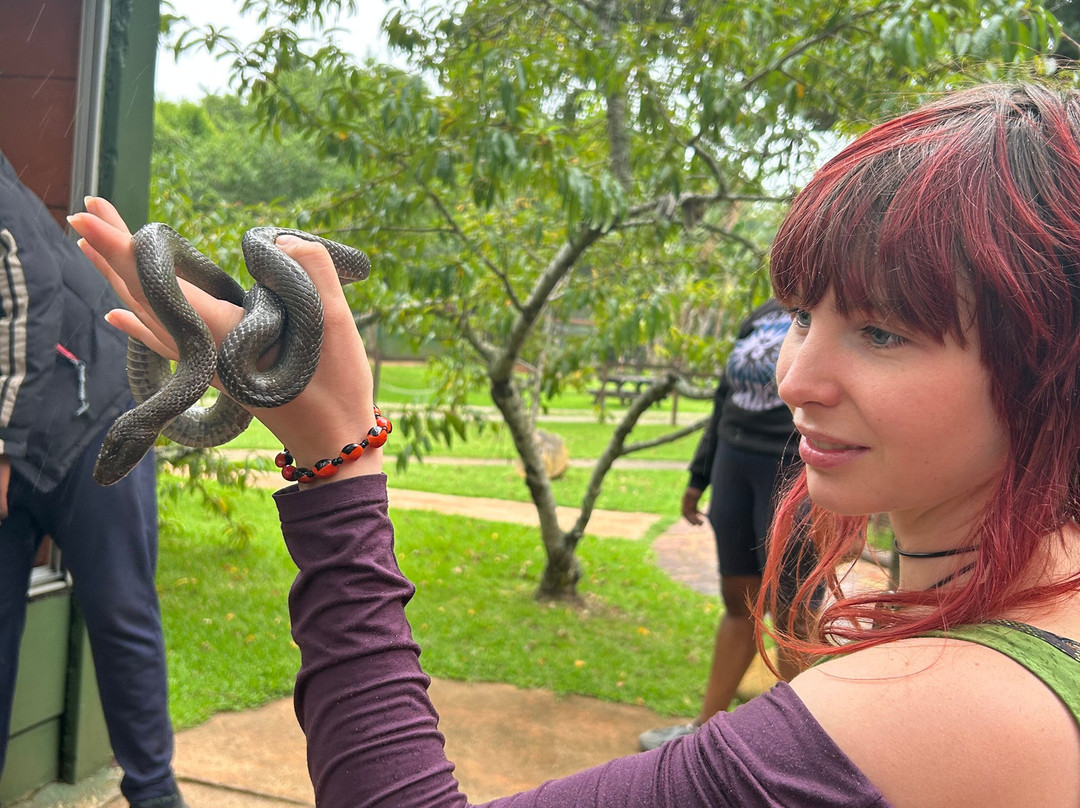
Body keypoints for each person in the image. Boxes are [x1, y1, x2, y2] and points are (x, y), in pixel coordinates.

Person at [72, 81, 1080, 808]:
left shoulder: (943, 714)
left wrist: (338, 456)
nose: (794, 378)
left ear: (1051, 359)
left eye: (883, 331)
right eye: (803, 315)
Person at [0, 153, 186, 808]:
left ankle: (156, 796)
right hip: (15, 435)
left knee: (120, 609)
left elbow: (29, 296)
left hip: (93, 418)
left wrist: (2, 449)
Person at [638, 298, 809, 751]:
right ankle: (704, 733)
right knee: (740, 602)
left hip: (794, 466)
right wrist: (700, 476)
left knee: (793, 610)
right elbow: (721, 399)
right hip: (735, 465)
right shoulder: (759, 315)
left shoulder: (833, 304)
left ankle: (803, 753)